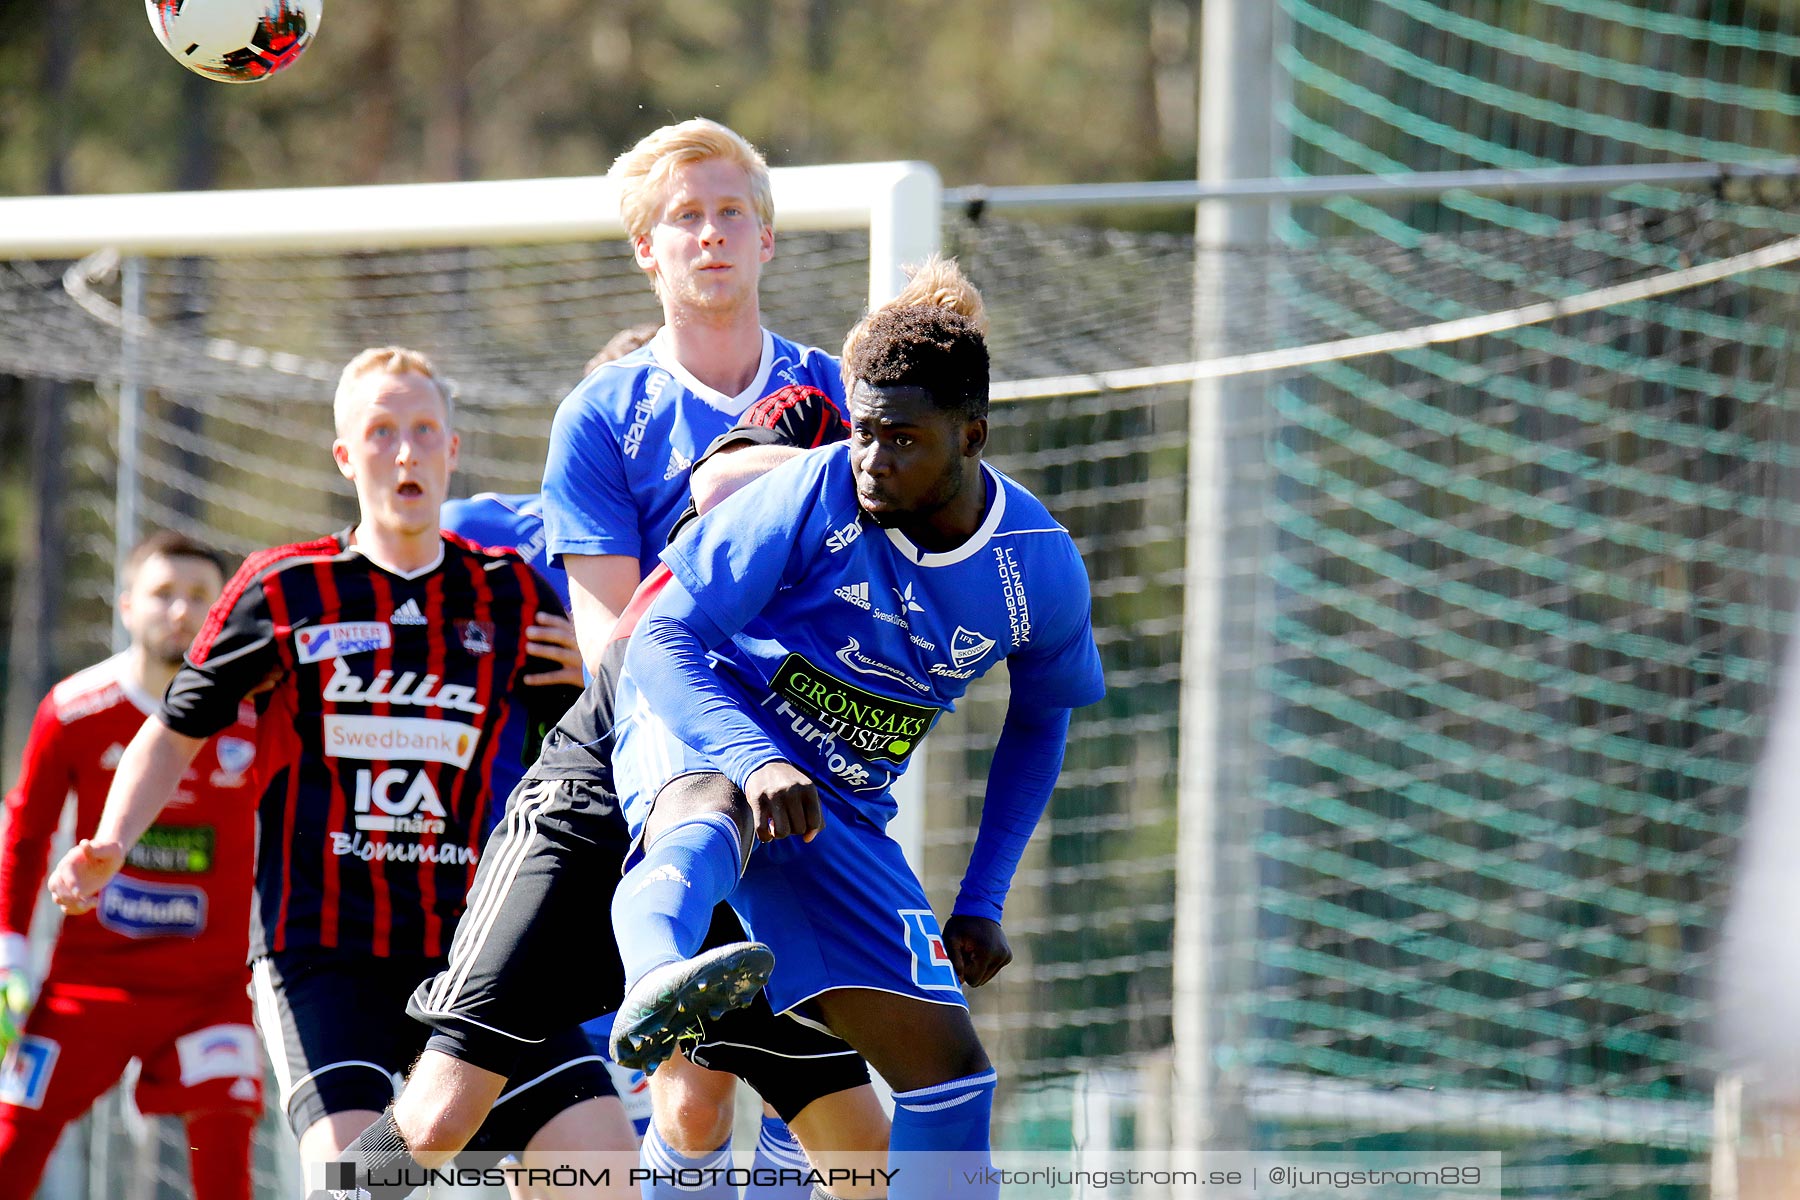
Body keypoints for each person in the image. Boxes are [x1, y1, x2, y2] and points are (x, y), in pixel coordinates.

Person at [47, 347, 630, 1198]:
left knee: (604, 1169)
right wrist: (109, 837)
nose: (406, 452)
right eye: (381, 431)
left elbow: (581, 752)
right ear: (344, 456)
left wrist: (592, 679)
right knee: (358, 1184)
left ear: (453, 450)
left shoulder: (509, 595)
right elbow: (173, 730)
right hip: (325, 955)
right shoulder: (283, 590)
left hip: (478, 951)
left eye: (424, 431)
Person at [605, 258, 1106, 1200]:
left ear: (973, 436)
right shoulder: (814, 490)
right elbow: (663, 640)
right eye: (863, 431)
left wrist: (985, 898)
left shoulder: (1037, 566)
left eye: (902, 441)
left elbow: (1040, 723)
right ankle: (656, 979)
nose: (870, 460)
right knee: (711, 815)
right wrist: (753, 758)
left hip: (835, 806)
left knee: (952, 1078)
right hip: (713, 722)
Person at [358, 382, 885, 1200]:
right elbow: (720, 480)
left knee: (867, 1153)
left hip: (726, 848)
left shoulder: (894, 582)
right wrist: (847, 470)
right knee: (437, 1117)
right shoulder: (798, 456)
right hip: (589, 815)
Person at [538, 117, 881, 1200]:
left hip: (821, 749)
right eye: (685, 217)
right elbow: (611, 641)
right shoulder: (602, 414)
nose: (712, 234)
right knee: (694, 1087)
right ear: (647, 249)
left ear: (769, 237)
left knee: (838, 1108)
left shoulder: (841, 399)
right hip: (680, 756)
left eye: (732, 211)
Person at [0, 532, 262, 1200]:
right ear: (125, 606)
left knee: (225, 1156)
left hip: (211, 994)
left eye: (200, 597)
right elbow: (27, 837)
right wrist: (10, 958)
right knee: (11, 1147)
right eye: (163, 593)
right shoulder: (73, 709)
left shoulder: (258, 715)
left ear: (223, 614)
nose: (180, 610)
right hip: (91, 985)